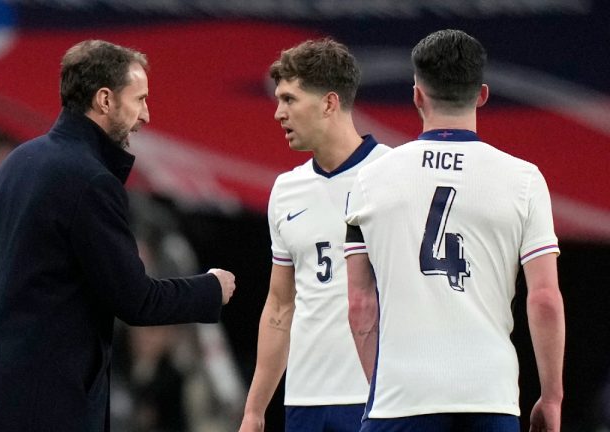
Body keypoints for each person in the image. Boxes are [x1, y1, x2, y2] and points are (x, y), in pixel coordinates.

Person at [0, 40, 236, 432]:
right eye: (139, 99)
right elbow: (136, 301)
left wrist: (20, 337)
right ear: (105, 100)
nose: (146, 115)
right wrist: (210, 289)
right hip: (50, 405)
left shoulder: (17, 161)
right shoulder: (91, 180)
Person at [344, 29, 565, 432]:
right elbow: (545, 299)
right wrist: (551, 397)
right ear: (482, 94)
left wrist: (384, 387)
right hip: (489, 395)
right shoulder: (524, 180)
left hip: (402, 398)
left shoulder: (368, 181)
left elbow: (360, 304)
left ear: (417, 96)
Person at [239, 38, 389, 432]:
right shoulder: (286, 189)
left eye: (289, 99)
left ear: (329, 103)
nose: (278, 113)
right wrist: (255, 410)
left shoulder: (394, 175)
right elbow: (280, 305)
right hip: (304, 400)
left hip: (376, 397)